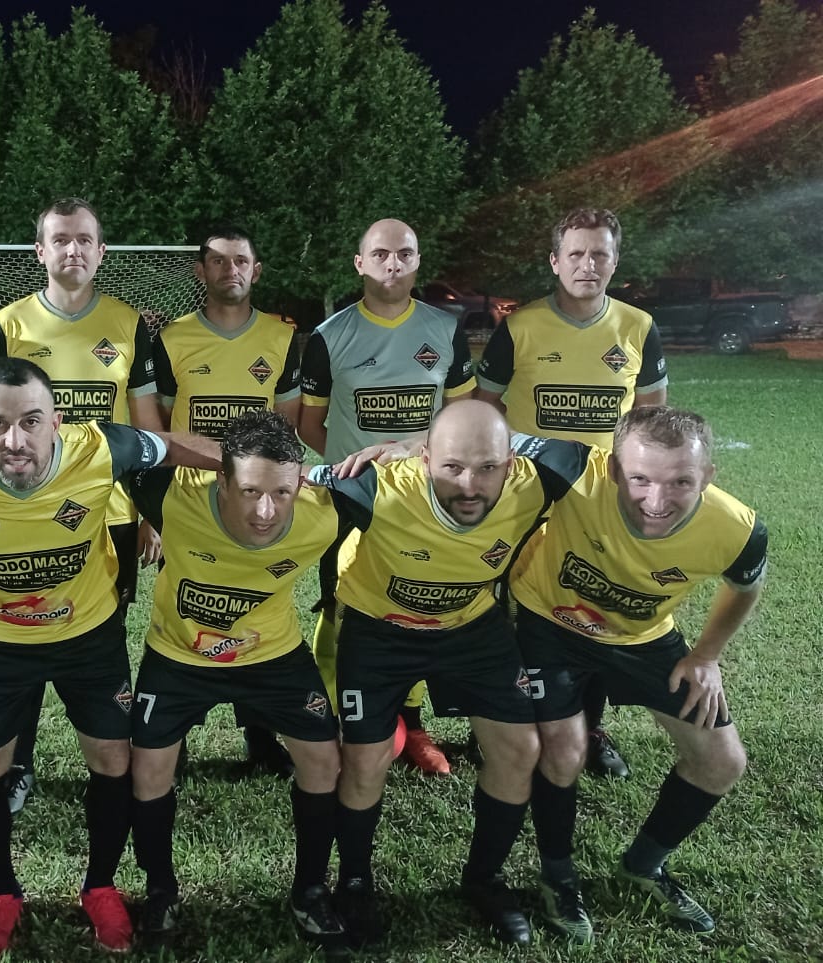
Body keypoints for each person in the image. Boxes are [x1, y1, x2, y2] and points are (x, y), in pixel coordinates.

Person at [0, 357, 219, 960]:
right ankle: (2, 895)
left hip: (89, 636)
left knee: (113, 757)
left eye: (31, 422)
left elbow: (169, 446)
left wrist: (269, 467)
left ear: (56, 421)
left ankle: (101, 886)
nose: (15, 441)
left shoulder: (103, 448)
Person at [309, 400, 591, 947]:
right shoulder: (377, 487)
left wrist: (439, 442)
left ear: (511, 463)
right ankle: (355, 883)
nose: (469, 485)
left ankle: (484, 879)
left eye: (487, 467)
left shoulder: (540, 478)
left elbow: (583, 455)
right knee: (365, 759)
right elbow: (285, 484)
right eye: (452, 467)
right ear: (424, 461)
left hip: (472, 626)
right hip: (379, 628)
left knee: (519, 750)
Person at [510, 406, 764, 942]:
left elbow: (745, 587)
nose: (656, 500)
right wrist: (403, 449)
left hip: (640, 638)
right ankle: (558, 876)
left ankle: (643, 866)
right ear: (611, 468)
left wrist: (706, 656)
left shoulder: (737, 529)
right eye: (640, 478)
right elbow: (479, 445)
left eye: (681, 482)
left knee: (721, 761)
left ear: (708, 476)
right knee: (564, 750)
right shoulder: (574, 467)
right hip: (549, 623)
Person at [123, 410, 342, 946]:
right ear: (220, 479)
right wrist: (218, 453)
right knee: (147, 769)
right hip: (178, 656)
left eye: (282, 492)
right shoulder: (169, 493)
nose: (266, 512)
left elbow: (426, 465)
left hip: (272, 654)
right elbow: (123, 442)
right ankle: (160, 891)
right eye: (249, 490)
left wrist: (394, 452)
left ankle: (310, 890)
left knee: (324, 760)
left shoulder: (329, 508)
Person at [0, 197, 165, 812]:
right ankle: (19, 763)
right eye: (61, 240)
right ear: (40, 251)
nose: (73, 250)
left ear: (101, 251)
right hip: (25, 514)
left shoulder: (128, 324)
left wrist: (149, 515)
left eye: (84, 240)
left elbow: (145, 428)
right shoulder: (10, 323)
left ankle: (107, 756)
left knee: (100, 636)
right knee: (25, 628)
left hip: (107, 517)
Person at [476, 207, 669, 780]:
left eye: (599, 254)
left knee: (592, 611)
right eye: (576, 254)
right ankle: (515, 722)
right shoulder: (521, 327)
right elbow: (483, 412)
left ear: (615, 261)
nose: (588, 264)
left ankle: (590, 726)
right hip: (527, 497)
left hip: (602, 501)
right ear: (555, 262)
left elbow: (650, 420)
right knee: (513, 612)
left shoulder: (638, 327)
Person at [299, 217, 475, 774]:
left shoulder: (445, 329)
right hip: (351, 502)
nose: (392, 264)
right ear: (360, 263)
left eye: (404, 254)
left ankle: (413, 724)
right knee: (341, 605)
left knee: (416, 606)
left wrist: (415, 456)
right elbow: (310, 424)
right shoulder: (329, 336)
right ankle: (341, 719)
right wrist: (355, 468)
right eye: (380, 254)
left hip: (427, 500)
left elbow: (464, 419)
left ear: (418, 261)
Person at [151, 226, 302, 776]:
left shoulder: (282, 338)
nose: (229, 270)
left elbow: (286, 429)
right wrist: (154, 515)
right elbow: (163, 425)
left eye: (240, 260)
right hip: (190, 504)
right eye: (217, 261)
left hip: (254, 503)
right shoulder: (172, 338)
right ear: (201, 271)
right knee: (185, 605)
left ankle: (260, 735)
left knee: (255, 604)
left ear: (255, 270)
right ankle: (175, 734)